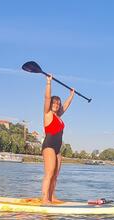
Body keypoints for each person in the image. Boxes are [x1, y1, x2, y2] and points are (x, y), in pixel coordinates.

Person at [40, 74, 76, 204]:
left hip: (57, 149)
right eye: (54, 102)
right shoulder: (47, 113)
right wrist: (49, 82)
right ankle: (45, 199)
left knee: (55, 175)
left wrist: (71, 95)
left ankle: (52, 197)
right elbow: (47, 97)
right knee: (49, 173)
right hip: (49, 146)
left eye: (57, 103)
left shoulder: (59, 116)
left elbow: (65, 106)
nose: (56, 104)